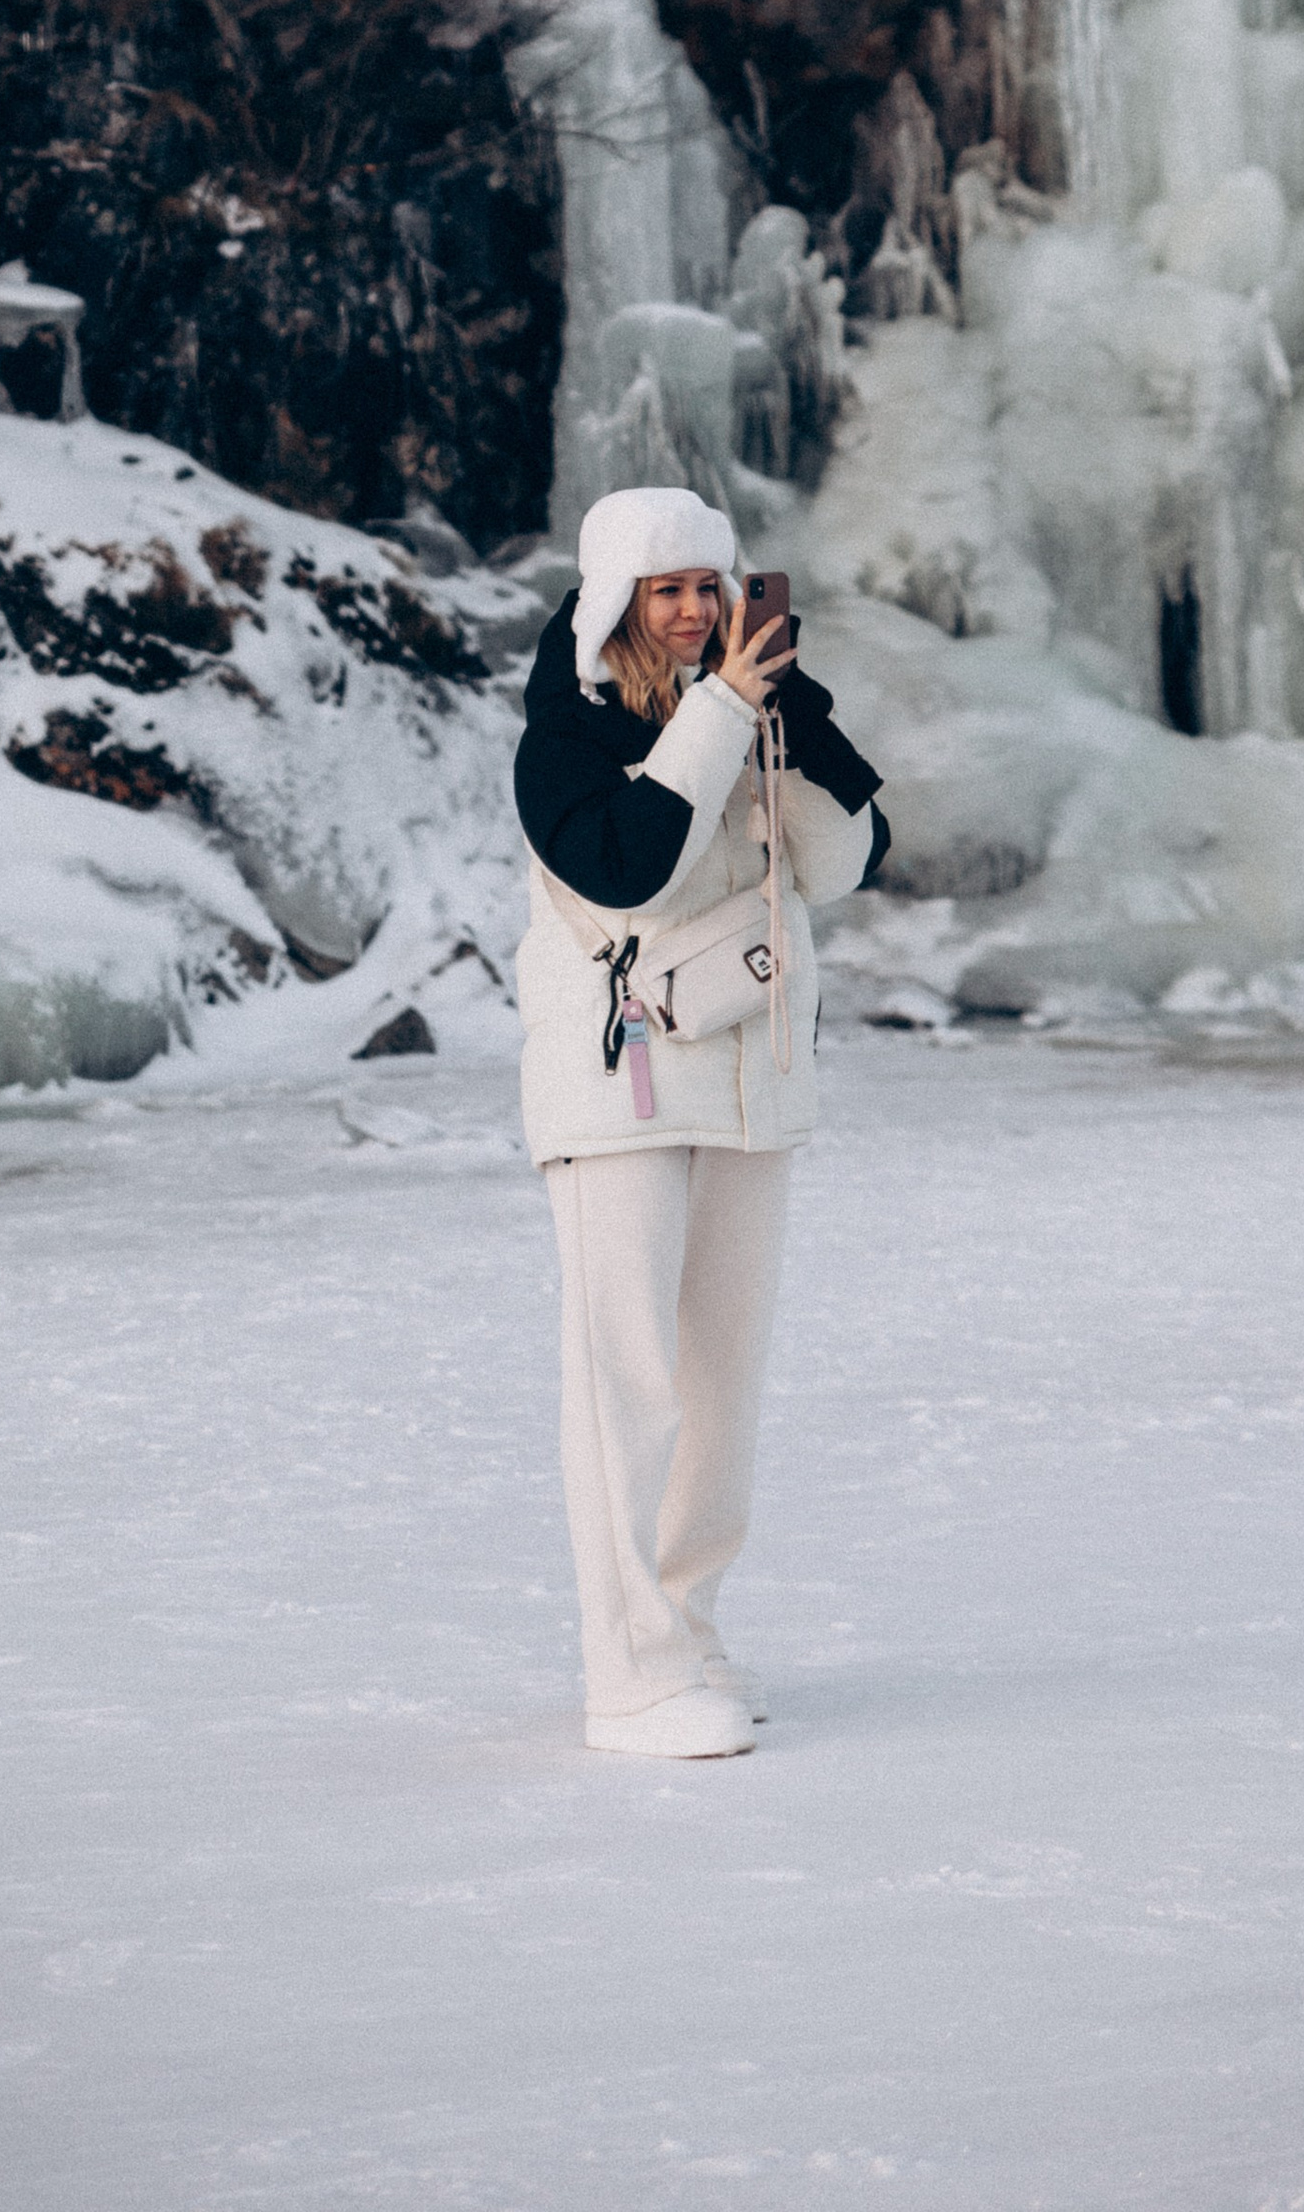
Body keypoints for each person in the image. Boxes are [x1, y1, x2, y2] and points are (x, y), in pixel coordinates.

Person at [513, 484, 886, 1760]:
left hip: (746, 1080)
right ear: (616, 598)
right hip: (614, 1083)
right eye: (663, 588)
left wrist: (789, 716)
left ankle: (689, 1634)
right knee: (627, 1378)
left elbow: (844, 866)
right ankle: (627, 1676)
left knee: (719, 1382)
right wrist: (722, 711)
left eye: (706, 586)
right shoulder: (563, 732)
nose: (689, 610)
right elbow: (631, 863)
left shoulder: (752, 714)